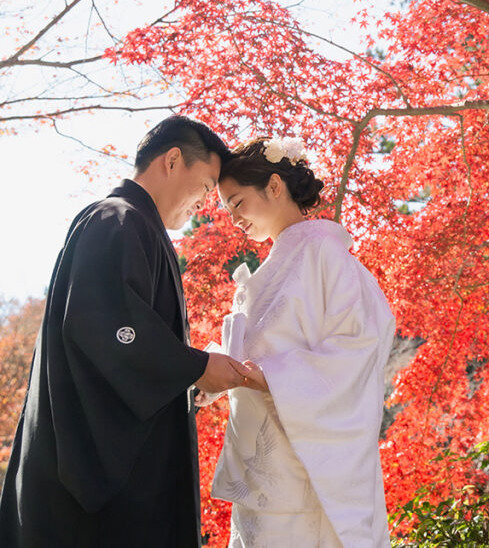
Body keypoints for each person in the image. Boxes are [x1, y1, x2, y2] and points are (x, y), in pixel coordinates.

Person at [0, 115, 254, 547]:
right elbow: (108, 327)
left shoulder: (131, 225)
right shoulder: (117, 220)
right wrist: (194, 366)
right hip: (92, 495)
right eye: (207, 186)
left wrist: (189, 376)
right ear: (173, 161)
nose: (205, 203)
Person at [201, 137, 395, 547]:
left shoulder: (326, 253)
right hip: (262, 461)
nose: (233, 219)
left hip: (306, 464)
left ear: (274, 186)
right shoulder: (264, 274)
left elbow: (358, 347)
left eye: (237, 203)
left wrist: (270, 376)